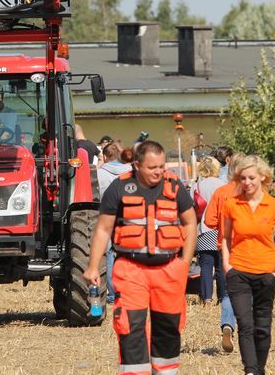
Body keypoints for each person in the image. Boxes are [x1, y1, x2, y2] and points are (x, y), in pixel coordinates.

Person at [84, 140, 197, 375]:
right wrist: (93, 267)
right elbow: (103, 229)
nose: (159, 172)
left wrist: (184, 263)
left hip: (169, 270)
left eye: (161, 166)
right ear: (137, 165)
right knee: (130, 326)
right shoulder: (119, 187)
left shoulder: (175, 186)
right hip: (131, 269)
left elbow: (190, 222)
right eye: (152, 167)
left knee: (168, 327)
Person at [221, 155, 275, 375]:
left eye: (251, 177)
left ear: (262, 177)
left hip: (266, 272)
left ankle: (260, 369)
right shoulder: (232, 204)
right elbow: (225, 238)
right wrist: (227, 266)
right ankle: (250, 370)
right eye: (242, 178)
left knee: (262, 328)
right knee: (245, 324)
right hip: (238, 271)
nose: (247, 182)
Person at [203, 152, 246, 352]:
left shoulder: (221, 192)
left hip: (226, 247)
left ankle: (228, 325)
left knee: (229, 292)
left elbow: (209, 221)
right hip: (249, 246)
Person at [97, 141, 132, 305]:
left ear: (104, 156)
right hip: (131, 217)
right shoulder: (132, 172)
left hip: (107, 218)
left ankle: (112, 293)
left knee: (109, 254)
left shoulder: (98, 174)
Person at [193, 156, 225, 306]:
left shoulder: (197, 186)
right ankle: (222, 296)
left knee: (206, 265)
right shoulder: (222, 185)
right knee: (220, 265)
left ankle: (207, 298)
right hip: (220, 228)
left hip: (203, 228)